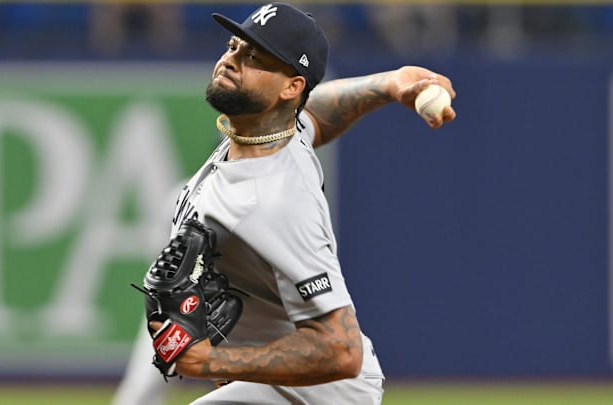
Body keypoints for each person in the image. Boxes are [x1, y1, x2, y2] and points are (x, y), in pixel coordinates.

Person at [115, 2, 456, 404]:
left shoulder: (273, 200)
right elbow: (320, 112)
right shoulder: (273, 133)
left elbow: (340, 350)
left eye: (254, 57)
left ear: (291, 87)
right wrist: (391, 83)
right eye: (233, 46)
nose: (230, 60)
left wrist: (213, 361)